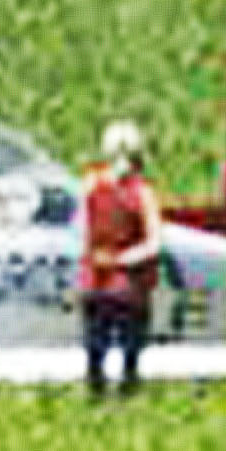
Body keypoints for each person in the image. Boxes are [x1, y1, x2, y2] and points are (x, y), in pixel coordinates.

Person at [78, 118, 164, 401]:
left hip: (94, 279)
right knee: (130, 353)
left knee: (95, 349)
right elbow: (154, 243)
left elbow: (81, 230)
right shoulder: (142, 193)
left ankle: (95, 398)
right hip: (130, 286)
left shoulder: (90, 184)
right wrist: (126, 259)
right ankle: (127, 397)